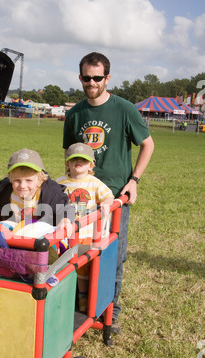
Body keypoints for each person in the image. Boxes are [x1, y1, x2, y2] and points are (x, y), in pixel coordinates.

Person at [63, 52, 154, 333]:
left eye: (97, 77)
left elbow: (147, 144)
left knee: (113, 254)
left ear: (107, 78)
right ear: (80, 78)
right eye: (87, 77)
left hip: (113, 199)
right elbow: (68, 154)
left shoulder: (125, 109)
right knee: (76, 252)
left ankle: (109, 311)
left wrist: (134, 180)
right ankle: (78, 305)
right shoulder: (74, 113)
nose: (92, 82)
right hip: (82, 198)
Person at [57, 142, 114, 313]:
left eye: (83, 160)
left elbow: (108, 196)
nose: (78, 162)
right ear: (67, 163)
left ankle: (82, 296)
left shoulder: (94, 183)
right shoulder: (59, 182)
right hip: (64, 232)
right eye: (74, 159)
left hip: (86, 233)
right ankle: (64, 297)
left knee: (83, 268)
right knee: (61, 265)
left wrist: (105, 203)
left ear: (91, 165)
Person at [0, 148, 74, 237]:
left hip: (41, 234)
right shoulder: (6, 190)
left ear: (40, 181)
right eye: (17, 180)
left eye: (29, 180)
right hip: (14, 233)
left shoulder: (51, 192)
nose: (22, 186)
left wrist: (65, 220)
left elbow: (67, 208)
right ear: (11, 179)